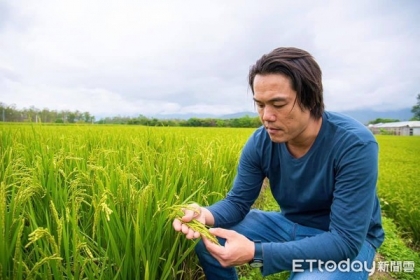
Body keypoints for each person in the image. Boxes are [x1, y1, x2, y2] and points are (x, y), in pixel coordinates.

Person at [172, 47, 384, 279]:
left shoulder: (353, 144)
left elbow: (344, 241)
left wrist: (256, 253)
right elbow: (237, 202)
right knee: (209, 238)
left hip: (345, 238)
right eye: (260, 105)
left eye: (278, 104)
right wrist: (203, 214)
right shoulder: (261, 141)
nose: (266, 117)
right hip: (290, 224)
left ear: (311, 99)